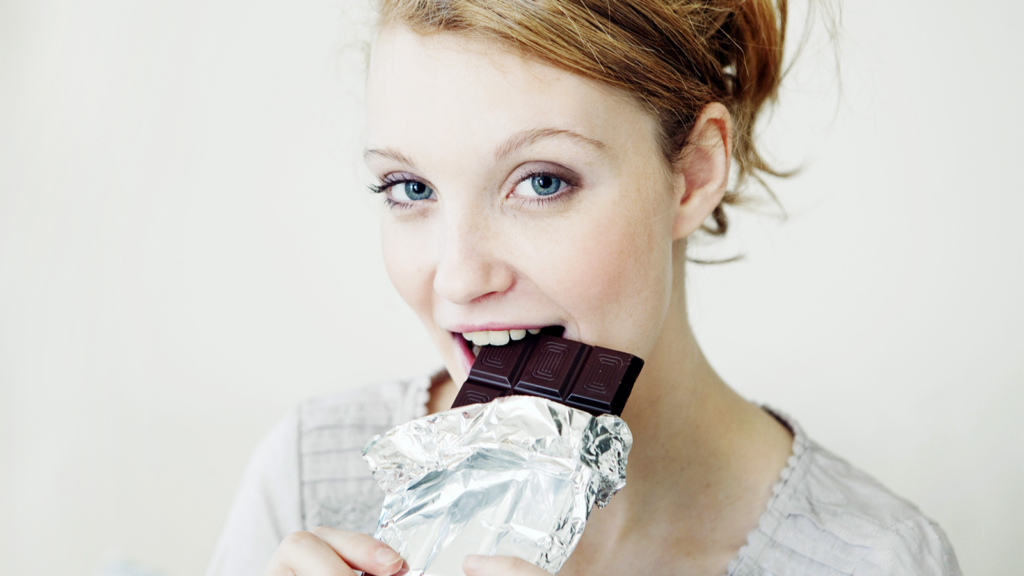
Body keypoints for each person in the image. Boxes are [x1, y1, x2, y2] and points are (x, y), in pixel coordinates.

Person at [207, 0, 962, 574]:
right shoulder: (307, 479)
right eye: (409, 187)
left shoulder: (874, 556)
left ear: (693, 174)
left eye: (540, 181)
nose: (462, 278)